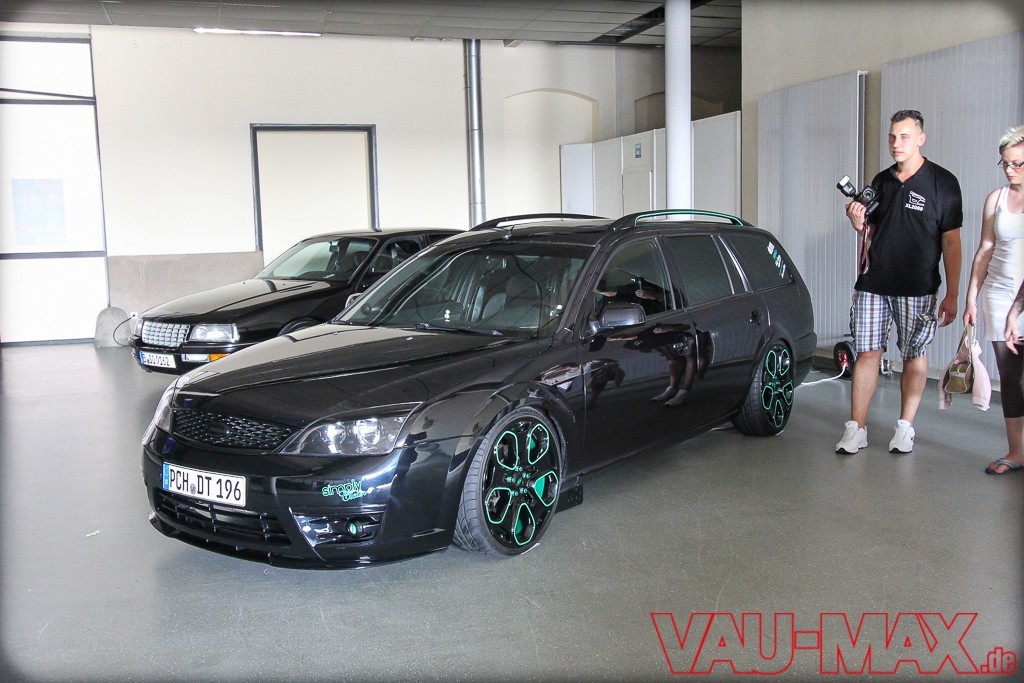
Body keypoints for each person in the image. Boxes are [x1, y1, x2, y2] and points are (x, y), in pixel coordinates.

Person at [836, 110, 963, 454]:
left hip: (918, 285)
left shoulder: (943, 183)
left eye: (904, 136)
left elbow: (951, 242)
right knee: (867, 352)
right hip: (874, 281)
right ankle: (856, 428)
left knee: (913, 354)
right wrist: (858, 224)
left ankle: (905, 427)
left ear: (921, 139)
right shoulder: (881, 181)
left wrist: (952, 293)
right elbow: (873, 231)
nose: (896, 143)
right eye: (892, 136)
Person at [964, 125, 1024, 474]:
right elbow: (985, 249)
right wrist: (971, 298)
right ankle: (1017, 451)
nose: (1009, 170)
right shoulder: (996, 199)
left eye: (1017, 163)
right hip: (999, 295)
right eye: (1004, 163)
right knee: (1011, 377)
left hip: (1022, 298)